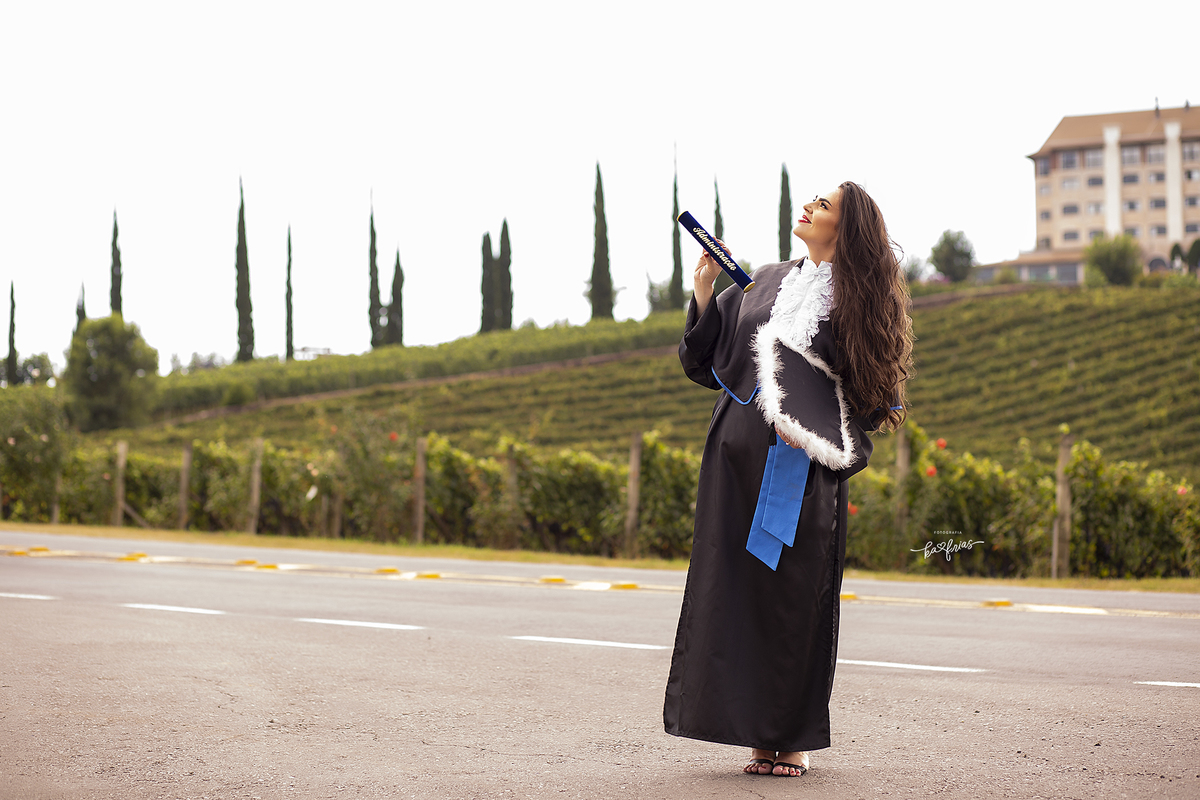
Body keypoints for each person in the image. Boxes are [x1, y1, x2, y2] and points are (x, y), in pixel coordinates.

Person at [663, 181, 913, 777]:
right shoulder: (763, 281)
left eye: (823, 206)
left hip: (800, 466)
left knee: (795, 595)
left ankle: (790, 738)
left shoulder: (859, 301)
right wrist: (705, 290)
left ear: (846, 230)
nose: (808, 207)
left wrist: (815, 425)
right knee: (736, 588)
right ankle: (755, 733)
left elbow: (873, 397)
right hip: (733, 458)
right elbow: (702, 360)